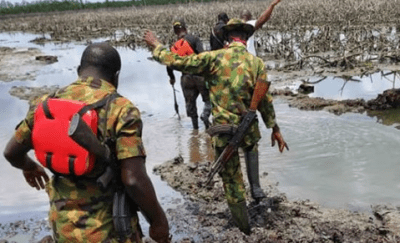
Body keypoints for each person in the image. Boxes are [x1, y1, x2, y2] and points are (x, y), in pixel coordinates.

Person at [3, 43, 170, 243]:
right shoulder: (120, 109)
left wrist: (29, 166)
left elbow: (12, 153)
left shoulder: (45, 104)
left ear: (78, 71)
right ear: (116, 76)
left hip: (63, 229)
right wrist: (158, 221)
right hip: (108, 231)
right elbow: (133, 179)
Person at [144, 19, 288, 235]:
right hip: (249, 130)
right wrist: (275, 128)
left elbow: (179, 62)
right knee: (251, 150)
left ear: (226, 38)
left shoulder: (214, 58)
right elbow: (265, 101)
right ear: (246, 40)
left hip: (223, 133)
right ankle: (256, 191)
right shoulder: (256, 63)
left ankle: (244, 229)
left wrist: (157, 46)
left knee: (232, 182)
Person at [167, 18, 212, 129]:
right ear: (185, 28)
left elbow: (169, 65)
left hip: (186, 78)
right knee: (208, 100)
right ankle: (205, 117)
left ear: (175, 31)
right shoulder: (194, 39)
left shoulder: (174, 46)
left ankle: (195, 128)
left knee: (190, 104)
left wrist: (172, 78)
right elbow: (202, 56)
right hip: (199, 76)